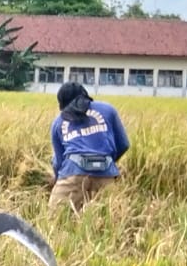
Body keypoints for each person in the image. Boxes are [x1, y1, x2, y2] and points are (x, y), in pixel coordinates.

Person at [49, 82, 129, 211]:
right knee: (109, 219)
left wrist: (57, 180)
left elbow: (58, 161)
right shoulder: (108, 110)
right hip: (106, 174)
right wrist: (105, 163)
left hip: (73, 173)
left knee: (55, 216)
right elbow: (124, 144)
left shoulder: (58, 123)